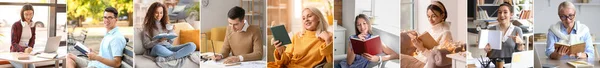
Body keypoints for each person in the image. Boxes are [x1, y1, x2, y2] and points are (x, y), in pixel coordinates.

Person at [268, 7, 333, 68]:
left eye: (309, 16)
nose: (306, 20)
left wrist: (327, 40)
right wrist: (280, 50)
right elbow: (286, 60)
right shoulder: (297, 36)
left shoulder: (327, 36)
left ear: (318, 18)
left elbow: (330, 62)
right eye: (303, 18)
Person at [406, 1, 461, 68]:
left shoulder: (446, 33)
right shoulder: (431, 29)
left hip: (425, 63)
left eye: (433, 16)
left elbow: (438, 59)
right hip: (418, 58)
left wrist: (422, 48)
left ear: (442, 15)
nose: (430, 19)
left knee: (401, 58)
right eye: (428, 16)